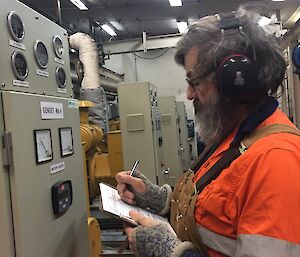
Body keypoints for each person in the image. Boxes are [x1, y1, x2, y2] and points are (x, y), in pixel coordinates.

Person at [115, 4, 300, 257]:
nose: (190, 94)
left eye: (194, 81)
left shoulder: (276, 160)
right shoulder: (232, 136)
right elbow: (215, 211)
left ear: (234, 80)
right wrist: (161, 201)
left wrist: (172, 253)